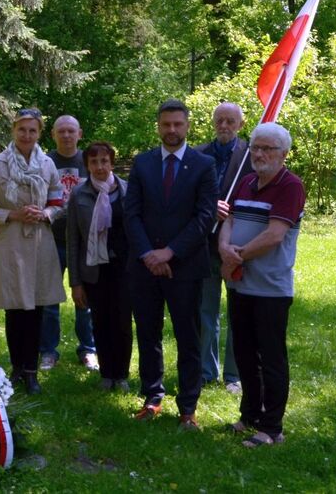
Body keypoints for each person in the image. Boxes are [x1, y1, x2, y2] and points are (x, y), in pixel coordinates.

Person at [125, 99, 218, 428]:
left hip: (186, 267)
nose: (172, 130)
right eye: (166, 124)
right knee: (147, 334)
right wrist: (150, 254)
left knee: (188, 336)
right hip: (144, 267)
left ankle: (188, 407)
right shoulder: (143, 163)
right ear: (158, 126)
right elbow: (131, 214)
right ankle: (152, 397)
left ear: (188, 125)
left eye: (178, 124)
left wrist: (170, 253)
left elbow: (205, 217)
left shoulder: (203, 165)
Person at [219, 122, 305, 448]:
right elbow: (229, 220)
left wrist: (234, 257)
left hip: (270, 289)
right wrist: (224, 248)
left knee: (271, 359)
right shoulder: (246, 182)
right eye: (256, 147)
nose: (259, 154)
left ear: (283, 154)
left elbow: (274, 235)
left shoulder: (290, 186)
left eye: (267, 148)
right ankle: (250, 416)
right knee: (243, 355)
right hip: (240, 286)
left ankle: (272, 428)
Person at [0, 107, 66, 394]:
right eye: (22, 129)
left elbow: (59, 202)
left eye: (32, 130)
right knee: (15, 309)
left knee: (38, 307)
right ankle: (17, 368)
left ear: (39, 133)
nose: (27, 135)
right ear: (13, 130)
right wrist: (13, 214)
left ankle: (32, 371)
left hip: (40, 242)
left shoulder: (47, 164)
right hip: (10, 243)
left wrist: (45, 215)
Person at [195, 102, 252, 394]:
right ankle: (207, 372)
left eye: (231, 121)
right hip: (204, 246)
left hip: (236, 245)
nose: (224, 126)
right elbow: (188, 197)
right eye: (219, 120)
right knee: (206, 311)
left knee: (237, 313)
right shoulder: (198, 154)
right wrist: (207, 208)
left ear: (240, 125)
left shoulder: (251, 156)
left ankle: (233, 375)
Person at [66, 142, 132, 392]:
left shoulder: (127, 190)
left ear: (112, 163)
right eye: (94, 162)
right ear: (87, 165)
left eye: (104, 161)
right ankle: (106, 373)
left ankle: (122, 375)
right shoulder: (79, 194)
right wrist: (75, 282)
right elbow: (73, 240)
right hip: (93, 269)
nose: (100, 166)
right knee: (101, 322)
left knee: (123, 322)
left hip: (124, 269)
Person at [39, 115, 98, 372]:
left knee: (85, 300)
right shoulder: (44, 162)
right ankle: (48, 352)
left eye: (70, 131)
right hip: (51, 240)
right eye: (61, 131)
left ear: (80, 133)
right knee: (49, 300)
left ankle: (88, 350)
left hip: (84, 243)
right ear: (53, 135)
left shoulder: (89, 161)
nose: (66, 135)